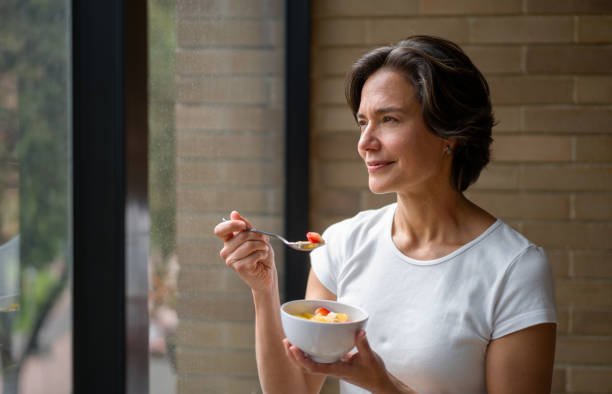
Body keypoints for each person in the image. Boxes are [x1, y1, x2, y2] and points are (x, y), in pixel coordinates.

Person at [214, 35, 557, 394]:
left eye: (388, 119)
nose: (365, 142)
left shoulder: (514, 268)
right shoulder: (342, 243)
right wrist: (264, 290)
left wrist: (381, 384)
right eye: (363, 122)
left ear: (450, 133)